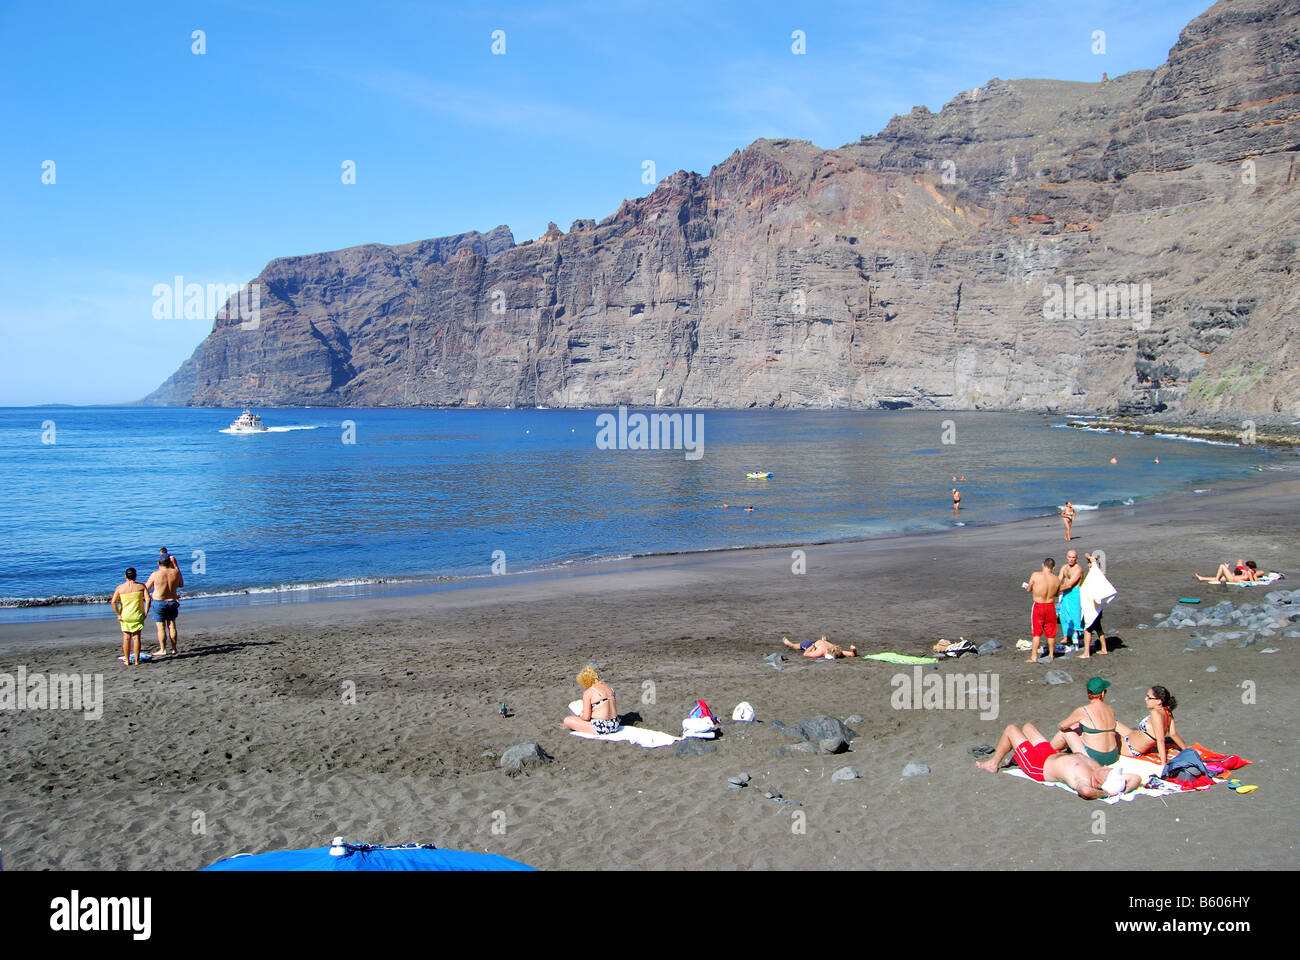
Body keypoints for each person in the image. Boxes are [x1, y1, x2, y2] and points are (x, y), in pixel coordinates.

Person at [975, 721, 1140, 798]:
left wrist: (1106, 794)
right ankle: (1019, 755)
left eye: (1109, 772)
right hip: (1050, 753)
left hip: (1039, 765)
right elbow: (1135, 778)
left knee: (1011, 729)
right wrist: (1120, 790)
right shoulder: (1096, 768)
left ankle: (993, 764)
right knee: (1028, 727)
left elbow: (1086, 792)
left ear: (1101, 781)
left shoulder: (1083, 780)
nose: (1108, 767)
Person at [1050, 678, 1120, 765]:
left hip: (1095, 758)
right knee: (1081, 727)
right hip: (1112, 756)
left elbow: (1062, 726)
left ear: (1088, 693)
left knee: (1064, 732)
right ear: (1102, 693)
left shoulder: (1083, 710)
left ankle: (1046, 753)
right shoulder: (1110, 709)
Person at [1115, 685, 1186, 768]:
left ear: (1159, 701)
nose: (1145, 699)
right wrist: (1187, 750)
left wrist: (1163, 765)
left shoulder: (1155, 714)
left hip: (1131, 748)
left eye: (1149, 698)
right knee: (1112, 722)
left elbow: (1160, 740)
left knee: (1103, 733)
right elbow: (1173, 734)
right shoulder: (1167, 712)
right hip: (1132, 737)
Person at [561, 666, 620, 735]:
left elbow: (586, 717)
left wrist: (581, 715)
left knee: (567, 720)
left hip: (601, 727)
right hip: (615, 724)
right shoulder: (609, 688)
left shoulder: (589, 692)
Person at [109, 568, 150, 666]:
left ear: (125, 577)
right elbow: (148, 600)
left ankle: (127, 660)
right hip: (137, 615)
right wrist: (145, 612)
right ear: (135, 576)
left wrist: (118, 614)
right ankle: (136, 660)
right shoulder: (141, 586)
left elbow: (113, 602)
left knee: (126, 638)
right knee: (136, 638)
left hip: (125, 616)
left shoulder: (120, 588)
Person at [1023, 558, 1060, 663]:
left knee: (1037, 632)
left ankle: (1034, 657)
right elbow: (1057, 594)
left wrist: (1030, 587)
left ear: (1043, 565)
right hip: (1050, 606)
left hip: (1039, 605)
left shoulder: (1035, 575)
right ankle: (1051, 655)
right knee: (1051, 632)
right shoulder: (1056, 579)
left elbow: (1029, 589)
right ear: (1053, 568)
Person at [146, 554, 184, 657]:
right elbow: (181, 584)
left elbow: (146, 588)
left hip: (159, 601)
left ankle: (163, 649)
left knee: (161, 627)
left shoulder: (155, 574)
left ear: (158, 563)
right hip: (172, 601)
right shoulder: (176, 572)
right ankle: (174, 648)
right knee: (172, 625)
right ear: (169, 563)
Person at [1079, 551, 1109, 657]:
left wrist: (1092, 560)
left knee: (1087, 629)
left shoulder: (1097, 574)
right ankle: (1104, 648)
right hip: (1097, 606)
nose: (1088, 565)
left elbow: (1088, 556)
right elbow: (1086, 554)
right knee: (1098, 627)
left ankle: (1086, 653)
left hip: (1092, 607)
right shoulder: (1099, 574)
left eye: (1090, 563)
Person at [1056, 549, 1084, 650]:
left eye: (1073, 558)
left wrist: (1056, 591)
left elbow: (1070, 584)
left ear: (1076, 558)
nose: (1071, 559)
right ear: (1067, 557)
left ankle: (1076, 637)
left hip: (1074, 593)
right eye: (1070, 557)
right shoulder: (1064, 567)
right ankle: (1066, 636)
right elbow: (1059, 580)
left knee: (1074, 615)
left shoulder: (1078, 569)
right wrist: (1053, 586)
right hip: (1065, 593)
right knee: (1063, 615)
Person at [782, 635, 858, 659]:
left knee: (821, 643)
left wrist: (853, 650)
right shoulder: (821, 651)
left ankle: (823, 640)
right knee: (795, 646)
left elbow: (852, 654)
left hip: (820, 644)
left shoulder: (839, 652)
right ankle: (789, 644)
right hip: (813, 644)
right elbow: (805, 654)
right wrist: (813, 645)